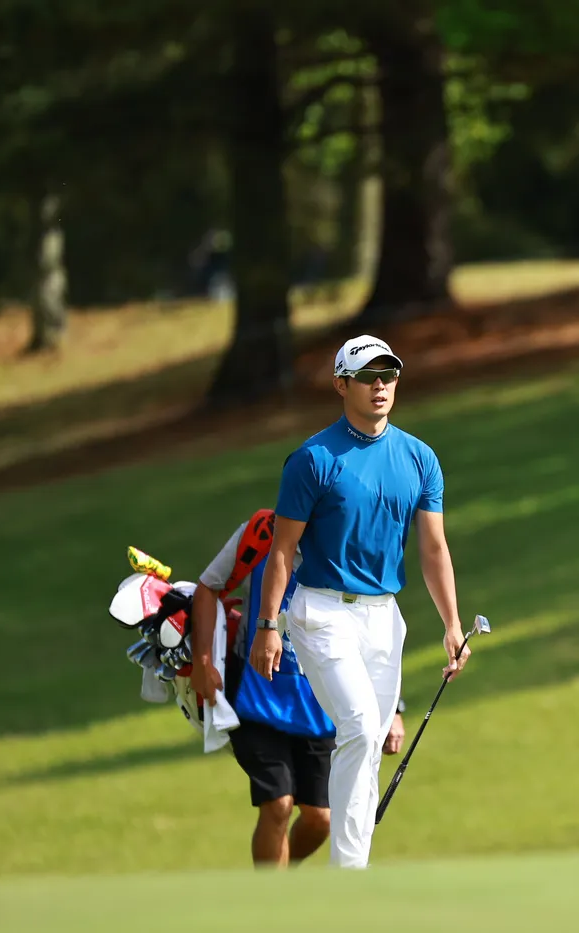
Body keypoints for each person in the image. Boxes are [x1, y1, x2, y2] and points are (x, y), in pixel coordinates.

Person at [249, 334, 470, 870]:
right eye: (368, 376)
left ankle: (356, 873)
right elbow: (282, 551)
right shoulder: (313, 459)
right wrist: (268, 624)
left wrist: (452, 624)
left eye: (388, 375)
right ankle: (349, 876)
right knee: (360, 726)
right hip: (322, 612)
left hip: (383, 617)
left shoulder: (419, 458)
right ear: (341, 385)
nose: (380, 385)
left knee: (369, 744)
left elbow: (434, 548)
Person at [188, 508, 407, 869]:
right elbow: (208, 587)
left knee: (322, 819)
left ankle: (283, 885)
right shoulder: (260, 532)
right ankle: (273, 896)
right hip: (256, 697)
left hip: (322, 705)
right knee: (278, 804)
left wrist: (393, 709)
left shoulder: (350, 546)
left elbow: (372, 626)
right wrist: (203, 661)